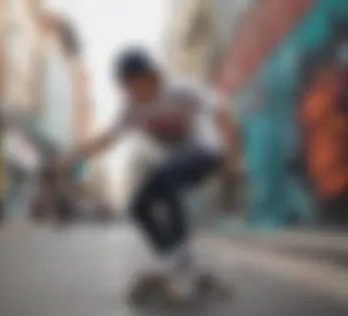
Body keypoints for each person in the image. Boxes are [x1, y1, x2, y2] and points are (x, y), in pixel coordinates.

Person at [57, 48, 237, 293]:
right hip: (176, 161)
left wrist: (231, 155)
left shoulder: (180, 89)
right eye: (125, 87)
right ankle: (171, 257)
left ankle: (180, 251)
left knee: (168, 173)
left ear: (150, 77)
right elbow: (107, 140)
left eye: (134, 84)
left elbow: (222, 109)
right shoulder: (131, 110)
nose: (131, 92)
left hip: (206, 151)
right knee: (138, 205)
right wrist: (70, 157)